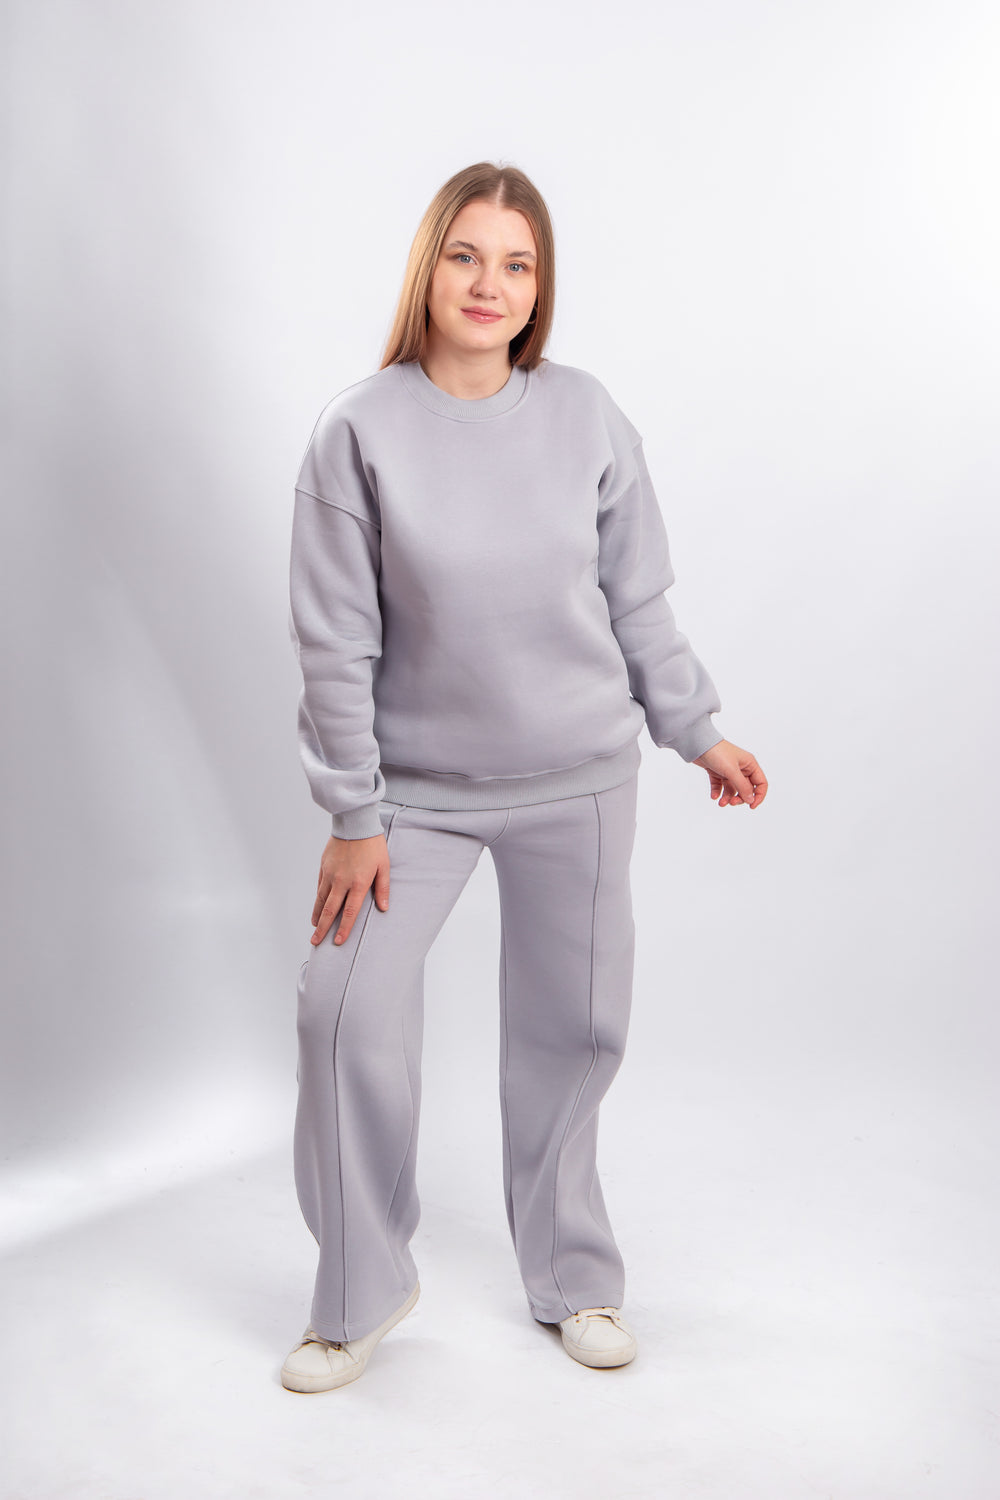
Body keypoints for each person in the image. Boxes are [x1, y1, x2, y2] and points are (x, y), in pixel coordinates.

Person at [282, 161, 768, 1393]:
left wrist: (696, 729)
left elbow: (636, 598)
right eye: (465, 255)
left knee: (575, 1030)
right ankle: (357, 1292)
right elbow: (335, 643)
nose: (488, 283)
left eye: (516, 263)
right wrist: (353, 813)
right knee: (341, 1012)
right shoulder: (358, 430)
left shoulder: (586, 415)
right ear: (427, 266)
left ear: (539, 288)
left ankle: (574, 1277)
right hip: (414, 798)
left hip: (579, 779)